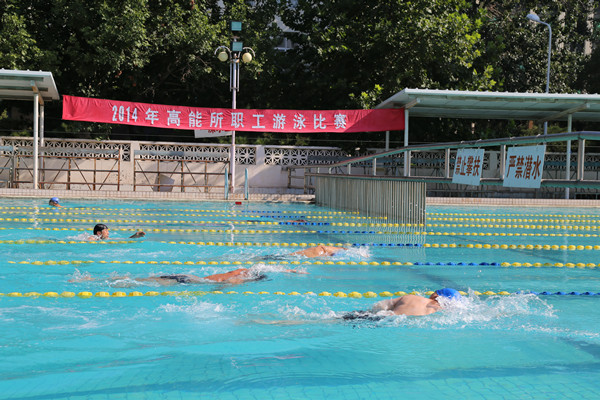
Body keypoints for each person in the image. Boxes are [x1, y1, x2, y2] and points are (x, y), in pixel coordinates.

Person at [72, 267, 307, 286]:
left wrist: (291, 271)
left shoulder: (238, 271)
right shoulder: (239, 279)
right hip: (189, 282)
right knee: (138, 284)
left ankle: (93, 280)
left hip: (187, 275)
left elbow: (263, 265)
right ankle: (92, 281)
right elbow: (223, 285)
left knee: (142, 280)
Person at [345, 288, 463, 319]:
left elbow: (380, 305)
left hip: (384, 316)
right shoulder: (442, 312)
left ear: (436, 295)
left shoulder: (412, 297)